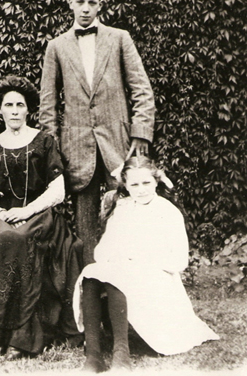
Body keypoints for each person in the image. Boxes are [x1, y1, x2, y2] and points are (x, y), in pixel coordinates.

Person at [0, 76, 84, 360]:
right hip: (2, 215)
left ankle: (22, 336)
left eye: (20, 104)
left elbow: (58, 190)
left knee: (18, 237)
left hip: (39, 214)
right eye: (9, 105)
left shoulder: (44, 141)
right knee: (7, 235)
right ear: (0, 110)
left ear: (28, 110)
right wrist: (3, 213)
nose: (15, 110)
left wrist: (26, 211)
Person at [39, 0, 155, 265]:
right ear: (70, 4)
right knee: (85, 226)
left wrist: (140, 134)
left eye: (92, 3)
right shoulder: (56, 46)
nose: (86, 8)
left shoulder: (119, 38)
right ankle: (91, 289)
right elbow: (48, 104)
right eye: (80, 2)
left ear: (100, 6)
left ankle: (126, 284)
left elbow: (142, 89)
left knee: (126, 214)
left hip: (119, 144)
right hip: (77, 149)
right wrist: (51, 150)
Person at [72, 156, 219, 372]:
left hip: (158, 279)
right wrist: (118, 257)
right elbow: (102, 252)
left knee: (115, 276)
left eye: (146, 183)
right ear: (125, 186)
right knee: (92, 273)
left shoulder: (167, 211)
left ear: (156, 182)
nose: (141, 190)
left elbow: (178, 260)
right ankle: (93, 356)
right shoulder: (122, 208)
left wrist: (139, 259)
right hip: (126, 271)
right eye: (134, 184)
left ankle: (121, 355)